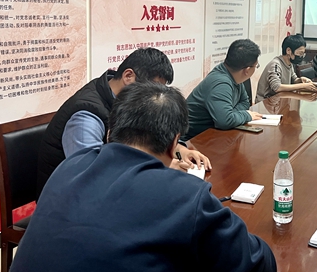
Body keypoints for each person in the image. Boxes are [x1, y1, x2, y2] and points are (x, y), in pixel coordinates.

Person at [3, 82, 277, 272]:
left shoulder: (69, 167)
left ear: (110, 132)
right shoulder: (185, 195)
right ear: (174, 144)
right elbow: (259, 269)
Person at [36, 48, 210, 198]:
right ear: (128, 76)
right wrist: (161, 165)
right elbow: (93, 173)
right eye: (151, 88)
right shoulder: (87, 115)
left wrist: (179, 150)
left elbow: (145, 137)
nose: (154, 95)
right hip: (68, 200)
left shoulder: (125, 100)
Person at [185, 39, 263, 139]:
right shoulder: (221, 84)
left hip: (212, 133)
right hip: (193, 139)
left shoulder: (234, 75)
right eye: (256, 66)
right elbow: (225, 121)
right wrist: (247, 115)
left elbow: (245, 102)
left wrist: (232, 114)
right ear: (247, 70)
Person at [255, 34, 317, 103]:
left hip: (279, 101)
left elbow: (294, 79)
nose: (301, 56)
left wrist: (301, 80)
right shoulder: (275, 65)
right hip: (266, 103)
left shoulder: (289, 63)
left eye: (303, 54)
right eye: (300, 53)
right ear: (288, 51)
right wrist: (303, 86)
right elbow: (277, 87)